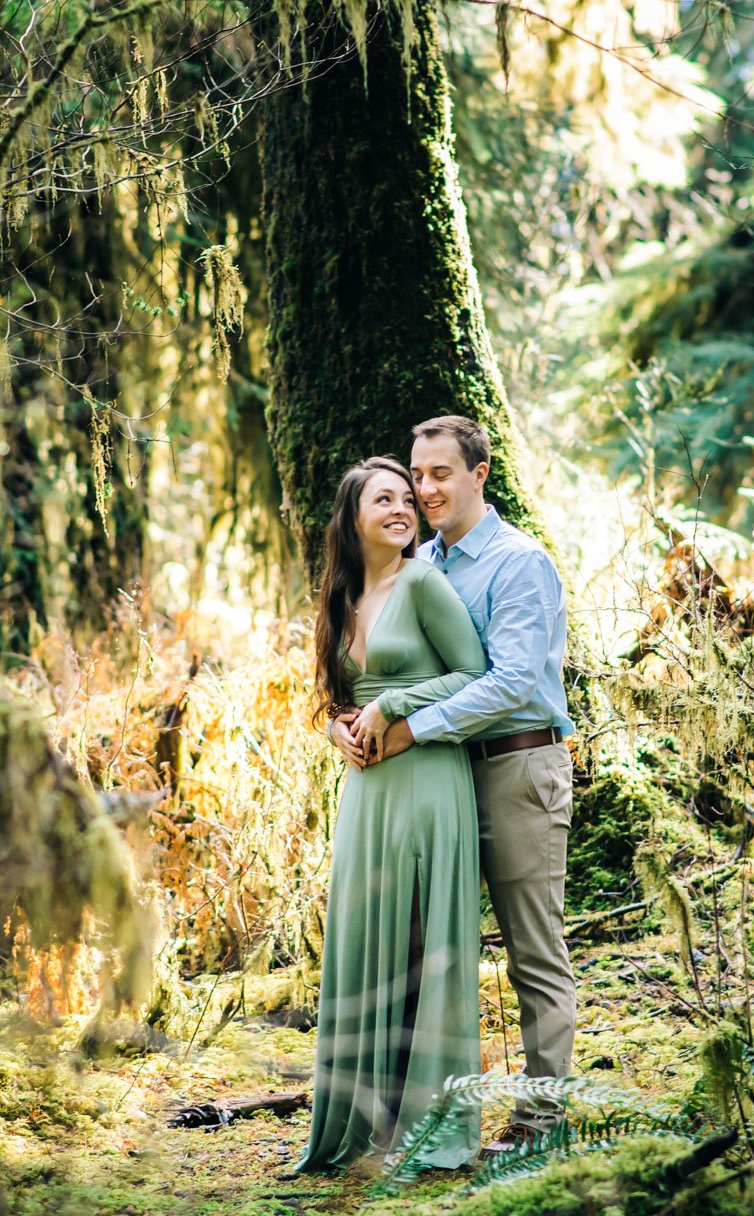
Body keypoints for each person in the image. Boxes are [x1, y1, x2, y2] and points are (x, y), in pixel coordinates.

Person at [331, 415, 576, 1156]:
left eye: (441, 474)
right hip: (438, 780)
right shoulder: (419, 559)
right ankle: (412, 1111)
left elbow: (510, 682)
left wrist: (408, 726)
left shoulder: (517, 561)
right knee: (431, 946)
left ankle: (542, 1121)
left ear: (479, 474)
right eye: (417, 476)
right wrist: (353, 723)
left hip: (516, 766)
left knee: (533, 953)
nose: (426, 490)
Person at [294, 456, 490, 1174]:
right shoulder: (342, 597)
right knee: (365, 937)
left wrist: (391, 704)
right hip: (366, 791)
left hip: (429, 778)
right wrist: (340, 728)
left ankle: (430, 1122)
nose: (403, 508)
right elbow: (330, 699)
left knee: (419, 941)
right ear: (352, 518)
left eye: (408, 499)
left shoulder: (423, 581)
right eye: (385, 499)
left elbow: (473, 673)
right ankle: (364, 1119)